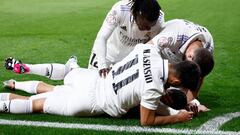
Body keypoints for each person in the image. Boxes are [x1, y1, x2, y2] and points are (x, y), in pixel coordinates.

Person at [1, 44, 201, 126]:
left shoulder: (149, 49)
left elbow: (146, 72)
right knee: (35, 104)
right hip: (92, 101)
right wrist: (178, 117)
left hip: (93, 78)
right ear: (175, 81)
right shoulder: (154, 88)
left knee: (54, 87)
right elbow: (146, 120)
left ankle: (16, 81)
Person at [88, 0, 165, 77]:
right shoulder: (120, 9)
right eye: (146, 25)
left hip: (128, 61)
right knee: (93, 81)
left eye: (152, 26)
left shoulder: (159, 21)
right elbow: (102, 37)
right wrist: (102, 65)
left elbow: (154, 49)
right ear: (138, 15)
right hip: (106, 53)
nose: (148, 29)